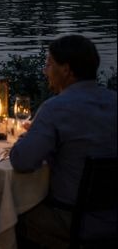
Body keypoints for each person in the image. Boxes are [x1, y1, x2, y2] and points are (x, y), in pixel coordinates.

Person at [10, 35, 117, 248]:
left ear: (66, 70)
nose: (44, 70)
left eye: (49, 64)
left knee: (8, 215)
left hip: (73, 219)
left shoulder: (55, 108)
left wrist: (29, 138)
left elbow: (22, 161)